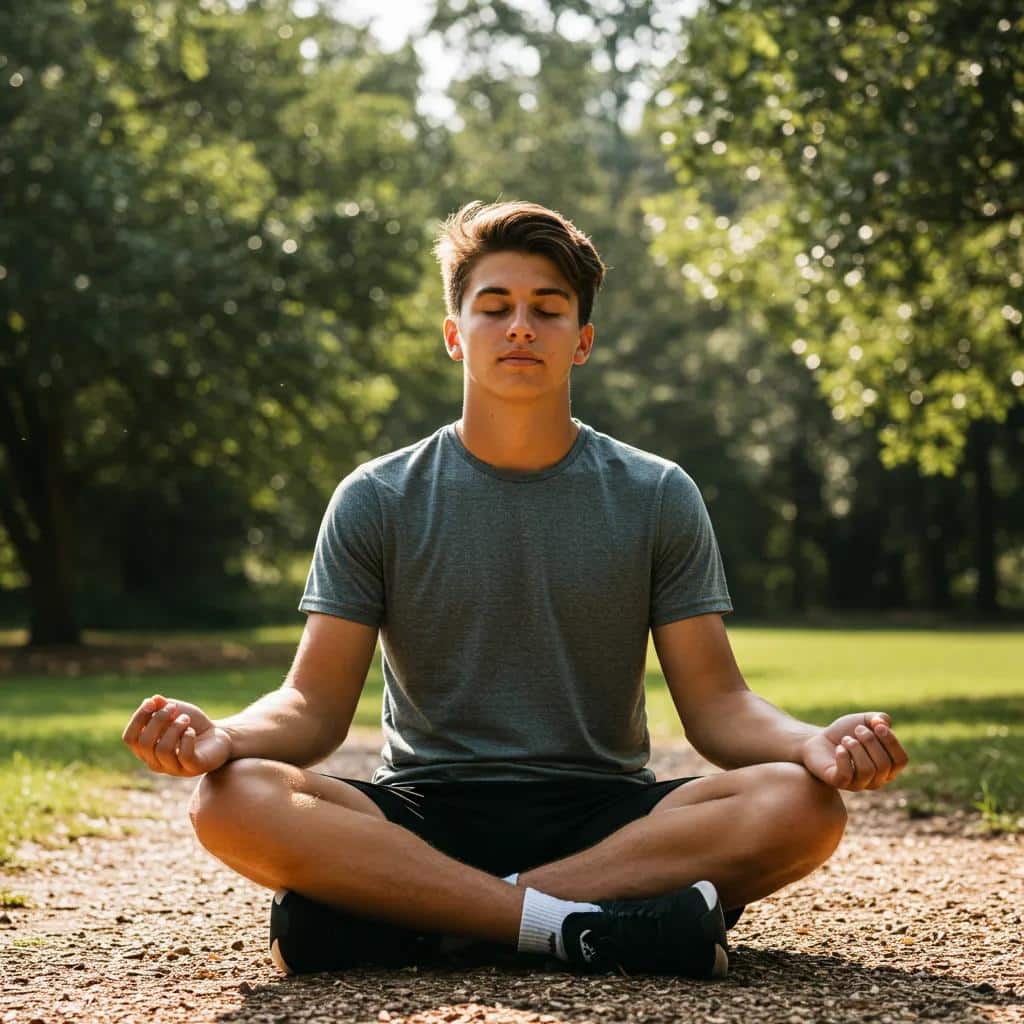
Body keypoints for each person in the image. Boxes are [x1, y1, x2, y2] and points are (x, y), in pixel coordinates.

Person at [121, 200, 909, 979]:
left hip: (607, 821)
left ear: (583, 341)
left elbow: (718, 707)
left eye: (548, 309)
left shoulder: (657, 493)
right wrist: (224, 737)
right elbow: (312, 707)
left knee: (802, 804)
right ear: (454, 337)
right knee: (230, 798)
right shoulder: (376, 496)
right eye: (494, 307)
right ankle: (598, 928)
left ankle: (424, 920)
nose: (521, 326)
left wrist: (811, 744)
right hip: (423, 814)